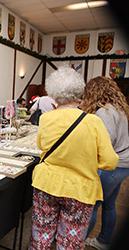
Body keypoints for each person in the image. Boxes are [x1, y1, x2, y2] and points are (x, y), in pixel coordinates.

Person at [29, 67, 118, 250]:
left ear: (53, 92)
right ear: (78, 92)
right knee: (70, 242)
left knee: (41, 237)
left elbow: (41, 145)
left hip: (46, 184)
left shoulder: (46, 119)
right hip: (80, 189)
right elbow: (109, 162)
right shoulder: (94, 122)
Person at [83, 76, 129, 250]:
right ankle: (104, 241)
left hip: (113, 166)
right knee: (109, 205)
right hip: (123, 164)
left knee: (92, 205)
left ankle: (79, 241)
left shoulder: (104, 112)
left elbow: (106, 144)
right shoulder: (119, 107)